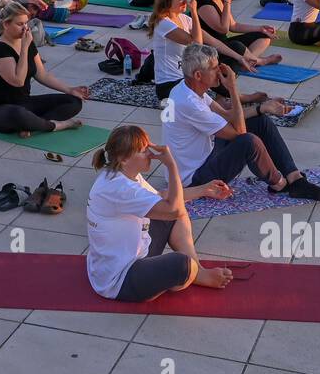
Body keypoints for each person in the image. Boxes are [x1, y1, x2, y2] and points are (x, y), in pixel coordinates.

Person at [163, 43, 320, 200]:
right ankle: (280, 184)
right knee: (248, 142)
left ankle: (295, 179)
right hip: (194, 179)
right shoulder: (189, 103)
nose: (220, 71)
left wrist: (261, 109)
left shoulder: (187, 88)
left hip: (201, 159)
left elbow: (228, 115)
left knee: (259, 121)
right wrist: (232, 88)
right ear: (198, 75)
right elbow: (240, 132)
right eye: (214, 68)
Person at [86, 127, 235, 303]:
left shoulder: (125, 174)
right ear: (124, 159)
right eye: (143, 151)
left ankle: (199, 273)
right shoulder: (120, 188)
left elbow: (163, 198)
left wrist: (204, 190)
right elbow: (174, 209)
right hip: (119, 279)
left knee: (176, 213)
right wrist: (171, 165)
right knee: (183, 265)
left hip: (131, 255)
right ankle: (194, 273)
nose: (150, 153)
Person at [0, 0, 88, 136]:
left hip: (24, 103)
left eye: (26, 23)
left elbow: (42, 75)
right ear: (6, 24)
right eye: (20, 24)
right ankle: (55, 125)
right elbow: (18, 81)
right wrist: (24, 48)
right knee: (19, 114)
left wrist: (70, 89)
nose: (25, 28)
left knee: (74, 102)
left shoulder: (27, 42)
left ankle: (32, 124)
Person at [148, 0, 253, 100]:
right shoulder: (163, 23)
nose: (186, 1)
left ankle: (228, 95)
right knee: (207, 77)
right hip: (170, 85)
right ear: (168, 2)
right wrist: (193, 10)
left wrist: (239, 57)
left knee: (230, 53)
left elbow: (213, 41)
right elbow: (197, 44)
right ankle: (235, 97)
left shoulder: (183, 19)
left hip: (188, 78)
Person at [193, 0, 281, 67]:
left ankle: (248, 61)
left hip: (224, 43)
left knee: (264, 36)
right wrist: (227, 2)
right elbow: (223, 29)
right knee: (237, 46)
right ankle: (257, 61)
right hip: (211, 49)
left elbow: (233, 26)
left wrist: (260, 28)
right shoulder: (203, 2)